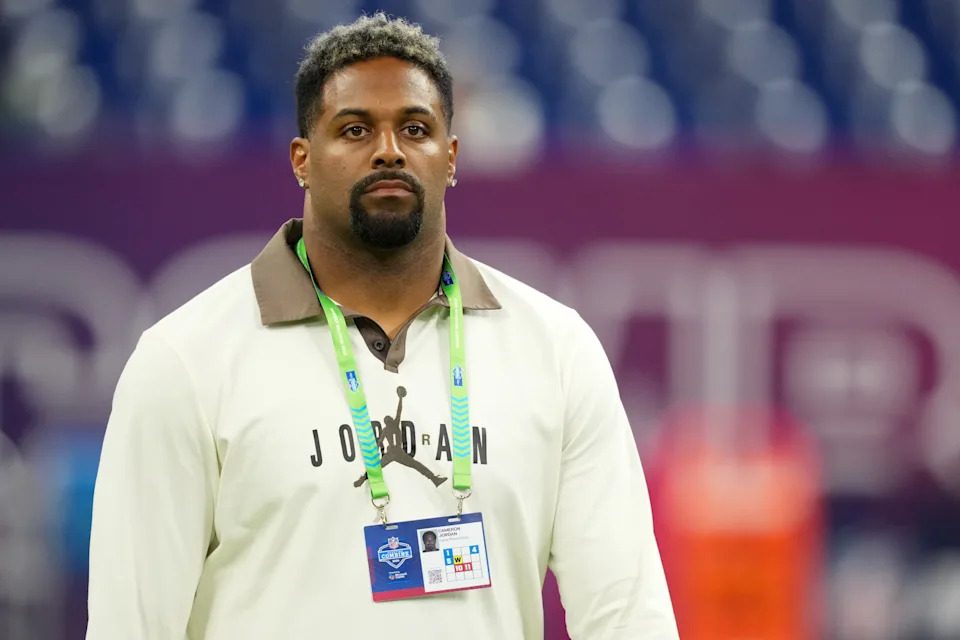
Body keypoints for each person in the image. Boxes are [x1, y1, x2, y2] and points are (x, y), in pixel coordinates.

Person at [86, 12, 678, 640]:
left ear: (450, 157)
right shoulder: (185, 358)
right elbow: (133, 624)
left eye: (415, 129)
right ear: (302, 160)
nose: (389, 149)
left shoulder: (556, 350)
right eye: (355, 128)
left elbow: (626, 614)